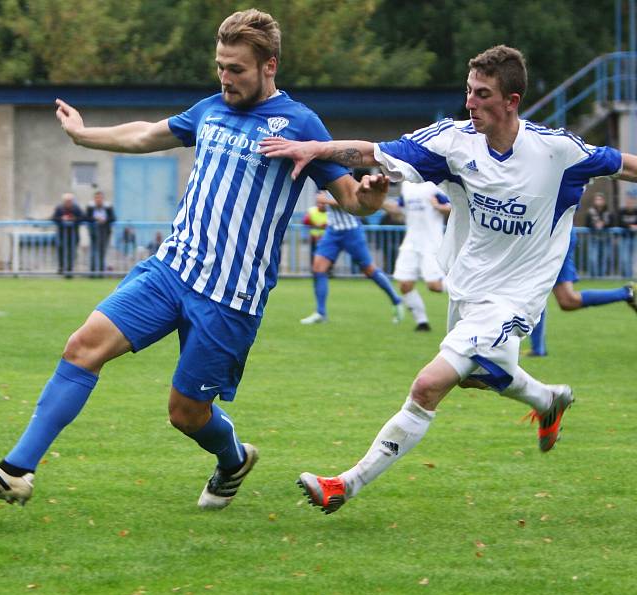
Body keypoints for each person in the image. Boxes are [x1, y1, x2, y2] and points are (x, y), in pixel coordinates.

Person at [0, 9, 388, 511]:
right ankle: (17, 470)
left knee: (186, 413)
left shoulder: (301, 124)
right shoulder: (210, 108)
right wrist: (82, 135)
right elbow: (147, 134)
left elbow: (352, 199)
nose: (226, 79)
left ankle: (232, 460)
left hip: (230, 295)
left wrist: (374, 195)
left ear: (269, 66)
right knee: (82, 347)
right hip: (171, 270)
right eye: (221, 67)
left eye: (237, 70)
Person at [260, 44, 637, 514]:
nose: (471, 103)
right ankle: (548, 399)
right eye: (469, 92)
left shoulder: (556, 150)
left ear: (511, 101)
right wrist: (319, 148)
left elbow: (624, 164)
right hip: (468, 288)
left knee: (428, 386)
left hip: (515, 298)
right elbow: (375, 152)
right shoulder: (454, 142)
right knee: (479, 376)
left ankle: (345, 484)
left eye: (482, 95)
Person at [299, 183, 403, 325]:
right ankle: (320, 313)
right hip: (332, 231)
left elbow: (350, 203)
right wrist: (322, 205)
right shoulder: (322, 181)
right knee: (318, 268)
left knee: (369, 270)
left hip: (352, 231)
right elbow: (323, 206)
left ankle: (396, 300)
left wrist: (326, 201)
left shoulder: (343, 178)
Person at [528, 228, 636, 356]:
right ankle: (627, 293)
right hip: (548, 234)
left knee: (535, 290)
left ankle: (537, 349)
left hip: (553, 235)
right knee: (567, 301)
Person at [385, 180, 451, 331]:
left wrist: (439, 207)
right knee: (404, 285)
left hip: (432, 243)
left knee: (434, 286)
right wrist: (379, 202)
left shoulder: (435, 184)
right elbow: (399, 210)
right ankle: (422, 323)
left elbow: (452, 207)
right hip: (411, 242)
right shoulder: (407, 185)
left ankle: (466, 287)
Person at [585, 192, 617, 277]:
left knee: (605, 258)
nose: (598, 201)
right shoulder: (590, 212)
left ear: (604, 201)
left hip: (606, 239)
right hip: (594, 238)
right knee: (593, 258)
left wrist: (604, 224)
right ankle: (594, 276)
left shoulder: (608, 212)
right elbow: (587, 224)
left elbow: (613, 223)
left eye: (600, 199)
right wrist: (594, 225)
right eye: (596, 199)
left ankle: (602, 276)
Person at [52, 192, 84, 276]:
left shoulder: (76, 208)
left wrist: (74, 219)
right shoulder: (59, 208)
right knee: (61, 250)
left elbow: (82, 218)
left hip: (73, 234)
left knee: (72, 252)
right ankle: (61, 267)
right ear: (63, 201)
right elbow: (54, 218)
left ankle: (70, 270)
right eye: (66, 201)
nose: (68, 202)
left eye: (70, 201)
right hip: (61, 234)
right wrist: (61, 219)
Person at [87, 190, 116, 275]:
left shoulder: (108, 208)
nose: (98, 199)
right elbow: (86, 217)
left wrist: (105, 220)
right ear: (94, 199)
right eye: (97, 198)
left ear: (103, 199)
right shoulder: (90, 208)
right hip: (93, 233)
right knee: (93, 252)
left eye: (100, 198)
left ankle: (100, 272)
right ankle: (92, 273)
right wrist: (96, 219)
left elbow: (113, 218)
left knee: (102, 253)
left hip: (105, 233)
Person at [302, 195, 328, 265]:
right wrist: (316, 225)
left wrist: (323, 225)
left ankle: (328, 269)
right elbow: (305, 221)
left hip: (326, 238)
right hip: (314, 238)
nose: (322, 205)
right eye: (320, 203)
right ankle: (314, 270)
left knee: (326, 256)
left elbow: (331, 224)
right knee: (314, 254)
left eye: (323, 203)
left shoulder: (330, 212)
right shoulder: (311, 210)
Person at [617, 193, 637, 278]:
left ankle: (629, 275)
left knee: (631, 258)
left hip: (633, 237)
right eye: (628, 201)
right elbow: (618, 222)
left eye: (631, 202)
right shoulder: (622, 211)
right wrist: (629, 226)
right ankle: (625, 275)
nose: (630, 203)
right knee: (624, 258)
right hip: (623, 237)